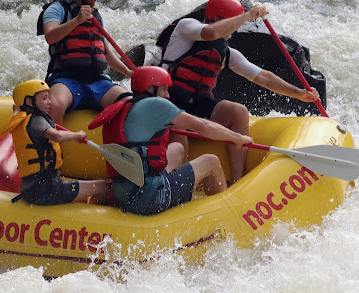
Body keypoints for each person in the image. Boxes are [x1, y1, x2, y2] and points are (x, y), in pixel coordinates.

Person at [158, 0, 321, 181]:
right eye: (233, 22)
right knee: (180, 125)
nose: (235, 30)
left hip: (200, 108)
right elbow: (211, 33)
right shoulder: (186, 28)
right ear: (217, 19)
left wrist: (299, 94)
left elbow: (263, 77)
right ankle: (177, 182)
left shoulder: (227, 53)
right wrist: (247, 15)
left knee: (238, 111)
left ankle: (237, 180)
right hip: (170, 106)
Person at [88, 66, 252, 216]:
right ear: (151, 88)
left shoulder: (126, 106)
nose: (167, 95)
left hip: (124, 194)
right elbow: (202, 126)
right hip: (150, 198)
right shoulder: (155, 104)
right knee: (211, 161)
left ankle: (181, 198)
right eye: (164, 89)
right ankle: (226, 215)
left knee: (177, 148)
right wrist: (238, 138)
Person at [38, 0, 133, 124]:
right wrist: (76, 20)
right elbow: (50, 36)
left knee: (130, 103)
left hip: (97, 80)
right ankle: (54, 148)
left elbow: (105, 51)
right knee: (55, 105)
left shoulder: (96, 15)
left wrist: (129, 72)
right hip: (66, 79)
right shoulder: (57, 9)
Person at [4, 79, 109, 205]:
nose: (49, 102)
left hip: (32, 189)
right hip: (48, 190)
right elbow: (57, 136)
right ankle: (91, 221)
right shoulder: (37, 121)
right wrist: (77, 135)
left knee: (79, 193)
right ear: (29, 102)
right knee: (103, 187)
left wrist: (17, 108)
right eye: (44, 98)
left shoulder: (21, 118)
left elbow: (16, 109)